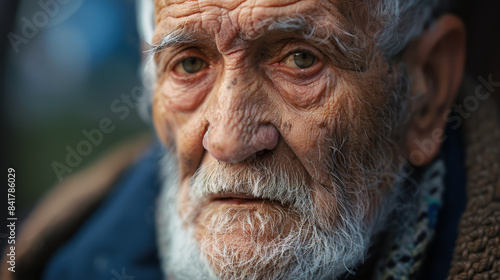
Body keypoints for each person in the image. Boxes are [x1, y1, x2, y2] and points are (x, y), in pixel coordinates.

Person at [3, 0, 500, 279]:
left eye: (300, 59)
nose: (230, 139)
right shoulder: (65, 263)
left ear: (425, 89)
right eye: (190, 63)